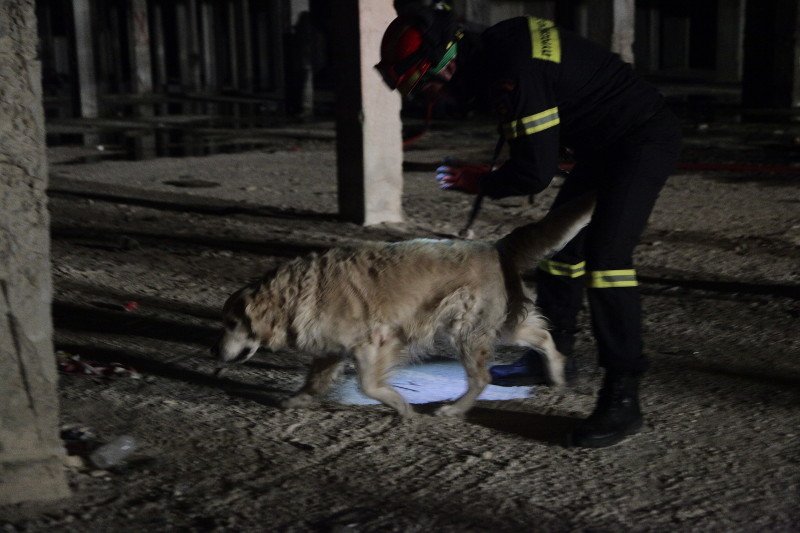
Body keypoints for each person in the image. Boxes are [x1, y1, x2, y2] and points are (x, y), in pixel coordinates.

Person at [376, 3, 681, 448]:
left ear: (449, 61)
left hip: (641, 139)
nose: (435, 97)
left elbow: (533, 173)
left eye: (430, 85)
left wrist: (479, 180)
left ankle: (623, 396)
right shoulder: (502, 46)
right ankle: (551, 356)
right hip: (603, 145)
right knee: (561, 254)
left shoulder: (509, 70)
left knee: (607, 262)